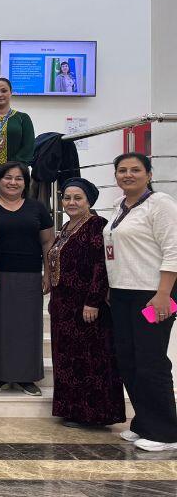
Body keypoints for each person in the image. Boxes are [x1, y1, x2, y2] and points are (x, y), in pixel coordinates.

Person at [104, 153, 177, 452]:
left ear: (148, 174)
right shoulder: (120, 207)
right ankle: (144, 422)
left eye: (135, 170)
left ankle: (165, 432)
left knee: (151, 362)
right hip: (122, 294)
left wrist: (164, 294)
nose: (128, 175)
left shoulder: (160, 204)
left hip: (152, 295)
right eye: (122, 170)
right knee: (129, 360)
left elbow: (174, 250)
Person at [45, 178, 125, 428]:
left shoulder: (96, 225)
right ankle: (72, 411)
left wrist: (93, 301)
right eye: (67, 198)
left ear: (89, 201)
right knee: (69, 359)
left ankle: (94, 414)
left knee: (90, 360)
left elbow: (101, 266)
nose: (71, 202)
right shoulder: (68, 226)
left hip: (86, 307)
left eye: (77, 198)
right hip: (64, 307)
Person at [0, 162, 54, 396]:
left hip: (30, 274)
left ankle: (27, 377)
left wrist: (49, 272)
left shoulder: (37, 208)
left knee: (28, 327)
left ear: (26, 183)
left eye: (19, 178)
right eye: (7, 177)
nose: (13, 182)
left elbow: (47, 242)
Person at [0, 78, 36, 165]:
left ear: (11, 93)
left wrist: (13, 166)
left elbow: (29, 146)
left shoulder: (23, 118)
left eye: (4, 91)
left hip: (16, 170)